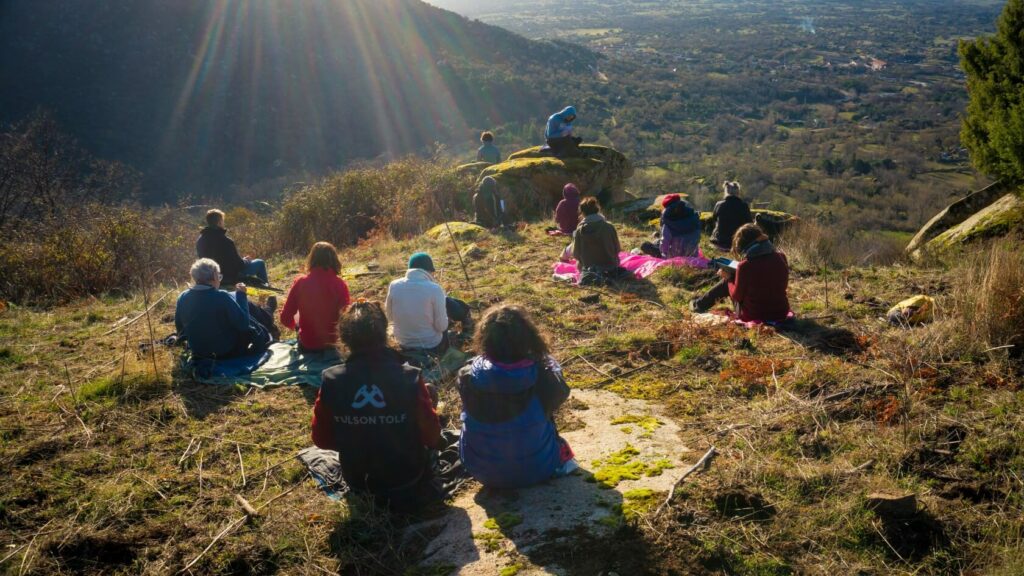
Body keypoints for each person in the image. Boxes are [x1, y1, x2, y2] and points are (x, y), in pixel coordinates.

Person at [311, 301, 442, 511]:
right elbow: (432, 437)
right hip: (408, 477)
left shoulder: (331, 380)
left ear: (344, 339)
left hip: (357, 481)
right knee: (430, 391)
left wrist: (358, 435)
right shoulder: (409, 377)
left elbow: (321, 439)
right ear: (384, 334)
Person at [458, 305, 575, 488]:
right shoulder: (543, 373)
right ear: (529, 336)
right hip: (538, 469)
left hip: (482, 472)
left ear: (484, 338)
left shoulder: (467, 375)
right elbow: (561, 394)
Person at [690, 223, 791, 323]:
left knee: (726, 282)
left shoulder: (744, 266)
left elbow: (736, 296)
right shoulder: (781, 257)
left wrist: (729, 278)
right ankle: (699, 303)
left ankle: (698, 305)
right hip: (781, 312)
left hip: (753, 315)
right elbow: (781, 285)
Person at [174, 258, 274, 359]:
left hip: (198, 352)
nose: (219, 280)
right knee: (250, 321)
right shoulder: (222, 296)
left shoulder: (182, 296)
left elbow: (180, 329)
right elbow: (244, 325)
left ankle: (267, 311)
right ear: (214, 277)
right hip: (225, 351)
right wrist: (241, 295)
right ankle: (269, 310)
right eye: (219, 276)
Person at [385, 252, 473, 355]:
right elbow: (441, 327)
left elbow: (390, 317)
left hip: (403, 343)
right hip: (432, 346)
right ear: (429, 270)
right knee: (446, 301)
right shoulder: (434, 289)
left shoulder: (394, 285)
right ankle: (465, 317)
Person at [279, 242, 351, 352]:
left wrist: (296, 327)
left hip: (308, 344)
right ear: (334, 260)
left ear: (312, 259)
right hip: (334, 344)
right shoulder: (340, 284)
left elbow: (285, 318)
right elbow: (345, 319)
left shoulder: (300, 283)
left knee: (297, 312)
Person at [196, 209, 269, 285]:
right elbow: (239, 265)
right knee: (260, 263)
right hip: (230, 277)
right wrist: (246, 261)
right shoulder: (226, 241)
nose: (223, 223)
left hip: (210, 277)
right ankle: (268, 289)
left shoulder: (200, 241)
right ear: (219, 223)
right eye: (223, 221)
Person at [571, 197, 628, 285]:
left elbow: (576, 254)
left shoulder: (579, 230)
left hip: (588, 269)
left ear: (582, 212)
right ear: (597, 210)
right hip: (610, 267)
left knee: (578, 264)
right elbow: (617, 249)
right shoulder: (609, 227)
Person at [640, 194, 702, 258]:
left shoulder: (668, 221)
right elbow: (697, 238)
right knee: (657, 241)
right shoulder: (694, 217)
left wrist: (663, 256)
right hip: (692, 255)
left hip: (673, 256)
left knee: (645, 245)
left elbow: (664, 245)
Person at [709, 181, 753, 251]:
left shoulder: (719, 204)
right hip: (737, 242)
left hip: (719, 241)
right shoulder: (744, 206)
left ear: (726, 191)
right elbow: (750, 224)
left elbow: (714, 220)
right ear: (738, 192)